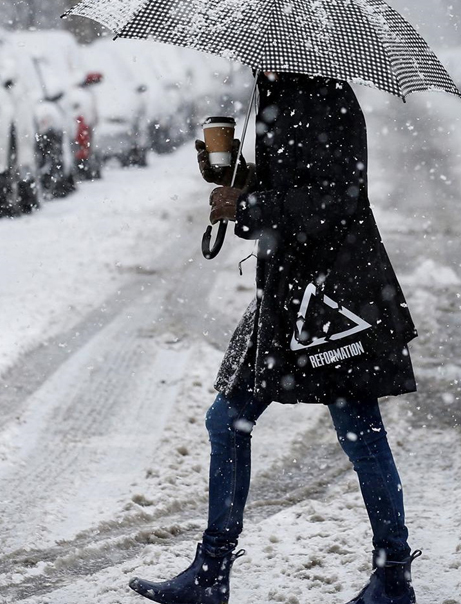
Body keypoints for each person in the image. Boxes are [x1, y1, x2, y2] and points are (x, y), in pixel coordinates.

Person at [129, 72, 420, 604]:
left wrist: (249, 207)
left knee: (360, 432)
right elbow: (293, 180)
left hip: (332, 298)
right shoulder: (281, 92)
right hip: (288, 292)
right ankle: (212, 572)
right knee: (227, 420)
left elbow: (335, 199)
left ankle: (394, 577)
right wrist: (236, 175)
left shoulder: (323, 96)